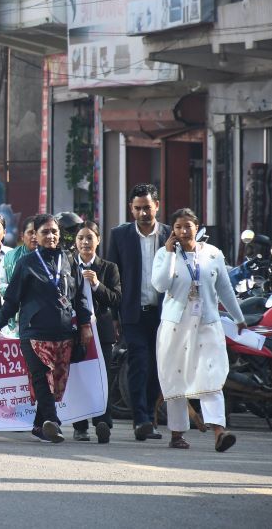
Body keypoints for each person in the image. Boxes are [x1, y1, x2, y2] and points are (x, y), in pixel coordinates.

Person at [0, 214, 93, 444]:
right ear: (35, 235)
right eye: (45, 232)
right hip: (33, 332)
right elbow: (12, 299)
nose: (51, 236)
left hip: (64, 332)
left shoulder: (69, 260)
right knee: (41, 377)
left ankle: (39, 425)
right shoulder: (26, 263)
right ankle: (53, 422)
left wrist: (84, 325)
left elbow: (80, 299)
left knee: (56, 381)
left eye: (54, 232)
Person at [152, 208, 245, 452]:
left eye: (188, 226)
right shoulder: (164, 254)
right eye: (179, 227)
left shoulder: (213, 254)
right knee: (176, 377)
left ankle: (219, 431)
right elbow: (161, 285)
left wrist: (239, 318)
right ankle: (177, 433)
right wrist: (171, 255)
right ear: (173, 230)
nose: (184, 231)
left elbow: (225, 288)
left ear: (197, 226)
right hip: (176, 327)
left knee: (211, 375)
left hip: (207, 324)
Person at [106, 183, 171, 441]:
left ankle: (150, 417)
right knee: (139, 363)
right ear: (131, 209)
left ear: (157, 206)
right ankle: (140, 420)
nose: (143, 213)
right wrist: (114, 316)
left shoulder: (169, 235)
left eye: (147, 207)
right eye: (138, 208)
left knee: (158, 368)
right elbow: (113, 276)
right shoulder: (120, 235)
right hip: (133, 313)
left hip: (164, 315)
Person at [69, 221, 121, 444]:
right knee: (78, 377)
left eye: (89, 237)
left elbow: (116, 298)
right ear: (75, 242)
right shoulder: (69, 266)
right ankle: (80, 427)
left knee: (102, 377)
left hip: (101, 330)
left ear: (98, 240)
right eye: (81, 238)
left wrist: (97, 284)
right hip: (75, 331)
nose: (85, 242)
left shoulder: (109, 268)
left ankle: (102, 422)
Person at [0, 217, 36, 299]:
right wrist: (22, 290)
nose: (34, 236)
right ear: (22, 236)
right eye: (31, 232)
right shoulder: (10, 256)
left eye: (38, 233)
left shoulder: (50, 256)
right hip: (17, 309)